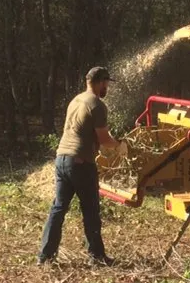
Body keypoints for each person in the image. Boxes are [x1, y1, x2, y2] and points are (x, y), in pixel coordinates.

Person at [37, 66, 125, 266]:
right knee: (91, 210)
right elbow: (104, 139)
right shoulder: (97, 105)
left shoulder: (76, 100)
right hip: (80, 163)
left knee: (58, 208)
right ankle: (97, 257)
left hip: (61, 158)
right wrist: (120, 145)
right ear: (100, 82)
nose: (107, 88)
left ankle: (45, 256)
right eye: (106, 84)